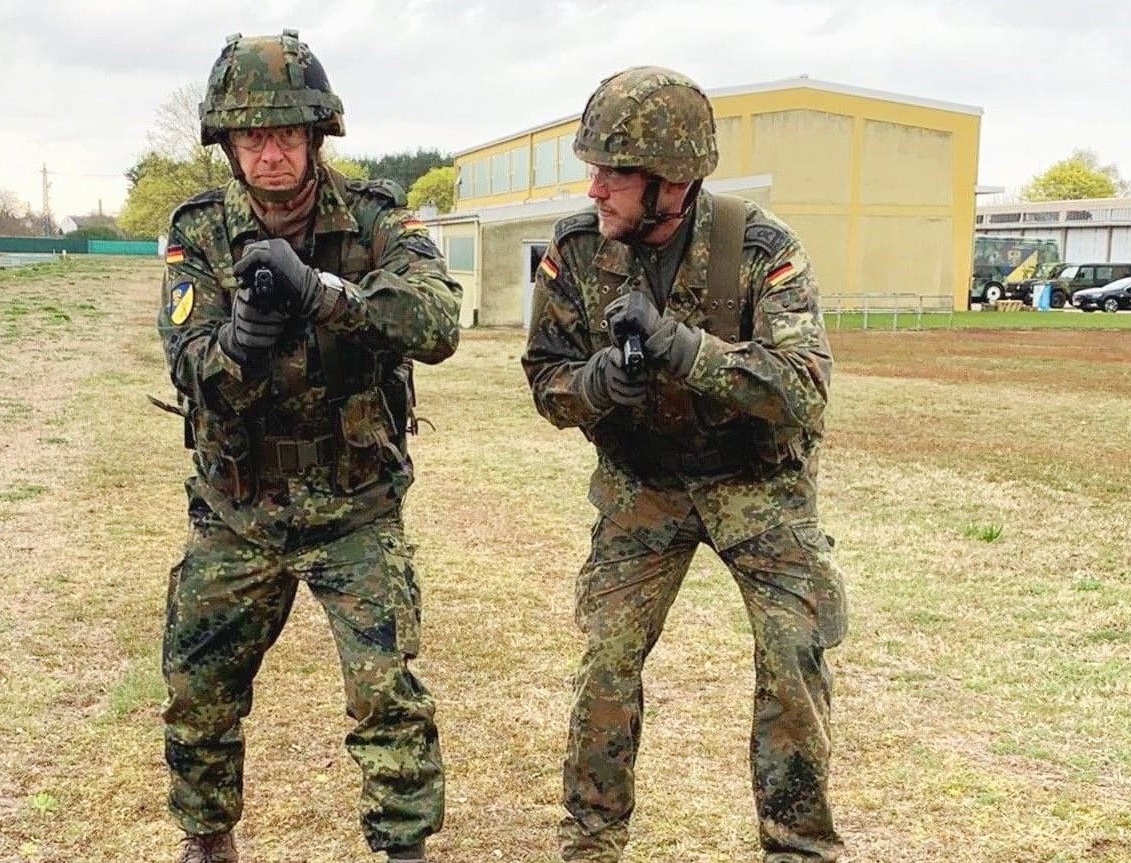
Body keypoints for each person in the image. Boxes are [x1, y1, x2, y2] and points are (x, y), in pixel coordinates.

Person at [521, 66, 848, 863]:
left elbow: (804, 387)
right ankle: (592, 844)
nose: (594, 187)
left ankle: (797, 846)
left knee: (791, 652)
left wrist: (683, 349)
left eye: (613, 171)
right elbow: (546, 379)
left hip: (755, 483)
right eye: (592, 167)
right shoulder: (572, 254)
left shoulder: (761, 249)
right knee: (606, 657)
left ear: (672, 180)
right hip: (645, 486)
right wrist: (596, 383)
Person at [156, 29, 460, 863]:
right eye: (252, 136)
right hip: (239, 504)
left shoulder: (374, 220)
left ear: (316, 136)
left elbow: (435, 321)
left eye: (287, 134)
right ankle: (207, 838)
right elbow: (187, 362)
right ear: (227, 144)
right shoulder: (199, 233)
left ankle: (402, 847)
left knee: (385, 692)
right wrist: (240, 346)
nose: (271, 152)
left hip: (353, 502)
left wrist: (328, 296)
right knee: (198, 684)